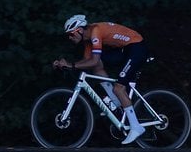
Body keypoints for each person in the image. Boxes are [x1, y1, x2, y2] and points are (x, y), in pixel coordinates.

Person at [52, 14, 150, 145]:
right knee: (97, 66)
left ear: (79, 30)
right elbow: (88, 62)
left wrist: (70, 65)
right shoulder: (87, 41)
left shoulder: (95, 31)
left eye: (71, 34)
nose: (69, 38)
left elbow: (93, 60)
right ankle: (116, 103)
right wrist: (64, 65)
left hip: (136, 47)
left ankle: (136, 127)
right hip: (125, 50)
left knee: (119, 88)